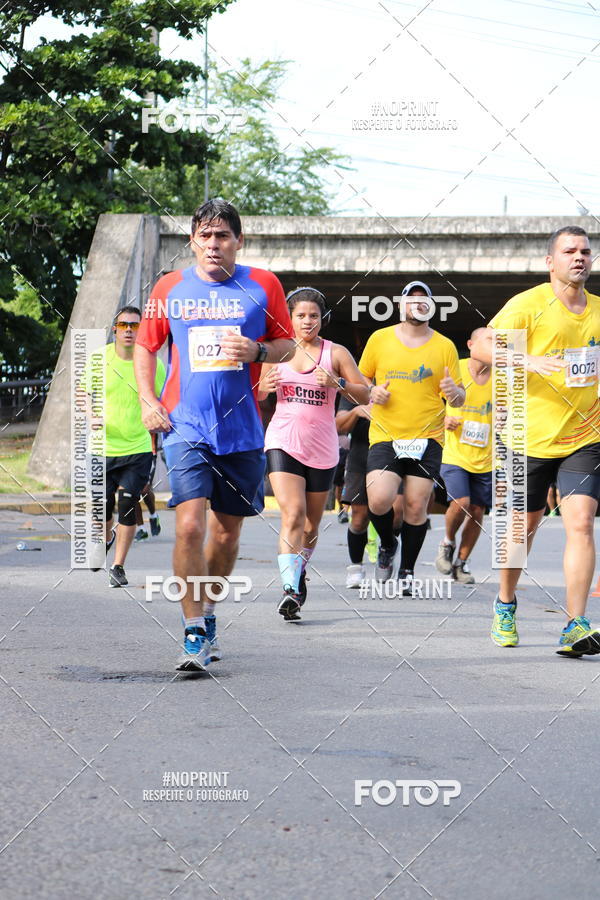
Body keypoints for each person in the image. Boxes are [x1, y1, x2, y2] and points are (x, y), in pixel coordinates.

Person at [134, 198, 295, 670]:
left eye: (222, 235)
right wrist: (148, 400)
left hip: (242, 431)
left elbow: (288, 347)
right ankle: (191, 631)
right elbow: (146, 346)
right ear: (191, 241)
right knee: (188, 525)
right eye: (204, 235)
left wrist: (259, 349)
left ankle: (208, 611)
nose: (213, 244)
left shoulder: (263, 285)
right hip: (184, 425)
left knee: (225, 537)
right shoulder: (169, 287)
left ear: (238, 241)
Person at [470, 225, 600, 655]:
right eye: (569, 251)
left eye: (585, 251)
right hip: (524, 435)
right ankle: (506, 604)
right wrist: (527, 359)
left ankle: (576, 623)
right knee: (520, 530)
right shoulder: (527, 306)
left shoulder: (598, 309)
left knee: (580, 523)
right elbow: (482, 348)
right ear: (551, 261)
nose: (579, 257)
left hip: (584, 435)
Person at [260, 287, 369, 619]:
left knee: (310, 526)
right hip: (283, 440)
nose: (307, 322)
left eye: (313, 316)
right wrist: (264, 388)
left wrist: (338, 384)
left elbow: (365, 393)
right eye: (300, 315)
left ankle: (299, 570)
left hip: (322, 446)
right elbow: (259, 394)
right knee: (292, 514)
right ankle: (290, 588)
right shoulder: (276, 352)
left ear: (322, 319)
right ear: (289, 319)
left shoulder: (335, 353)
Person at [359, 280, 464, 596]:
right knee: (378, 499)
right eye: (411, 299)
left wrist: (453, 393)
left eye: (423, 300)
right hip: (386, 434)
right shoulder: (380, 339)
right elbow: (361, 379)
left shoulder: (444, 346)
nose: (417, 303)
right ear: (400, 305)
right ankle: (388, 544)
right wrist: (371, 391)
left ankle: (406, 571)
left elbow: (459, 398)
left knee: (417, 507)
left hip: (428, 436)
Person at [85, 306, 166, 586]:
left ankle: (118, 566)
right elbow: (84, 395)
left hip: (138, 446)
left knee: (128, 503)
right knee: (101, 507)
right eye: (124, 325)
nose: (129, 330)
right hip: (102, 447)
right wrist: (90, 415)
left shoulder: (154, 364)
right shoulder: (99, 359)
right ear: (115, 329)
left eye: (135, 325)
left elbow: (161, 400)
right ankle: (106, 537)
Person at [435, 329, 493, 584]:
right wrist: (443, 418)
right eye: (488, 340)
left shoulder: (504, 378)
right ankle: (447, 542)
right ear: (471, 344)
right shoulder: (454, 369)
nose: (494, 345)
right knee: (461, 502)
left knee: (478, 511)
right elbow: (429, 403)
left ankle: (462, 562)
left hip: (488, 457)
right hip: (455, 452)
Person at [336, 396, 372, 587]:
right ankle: (356, 568)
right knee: (359, 517)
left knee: (398, 512)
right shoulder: (356, 384)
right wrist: (357, 411)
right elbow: (338, 426)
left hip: (398, 452)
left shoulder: (404, 376)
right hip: (361, 453)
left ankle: (389, 549)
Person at [134, 434, 161, 541]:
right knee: (131, 494)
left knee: (144, 490)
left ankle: (153, 515)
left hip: (148, 453)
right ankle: (141, 529)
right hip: (128, 454)